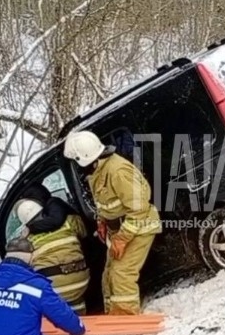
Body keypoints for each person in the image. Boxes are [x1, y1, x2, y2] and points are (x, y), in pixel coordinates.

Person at [62, 130, 161, 315]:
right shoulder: (98, 171)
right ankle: (114, 318)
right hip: (120, 229)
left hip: (139, 226)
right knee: (108, 275)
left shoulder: (117, 171)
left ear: (84, 157)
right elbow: (107, 203)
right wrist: (102, 221)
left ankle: (128, 323)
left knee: (121, 274)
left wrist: (122, 238)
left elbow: (139, 208)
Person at [11, 185, 91, 314]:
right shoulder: (68, 221)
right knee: (77, 302)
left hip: (54, 286)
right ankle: (83, 321)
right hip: (82, 280)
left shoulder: (27, 238)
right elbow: (84, 232)